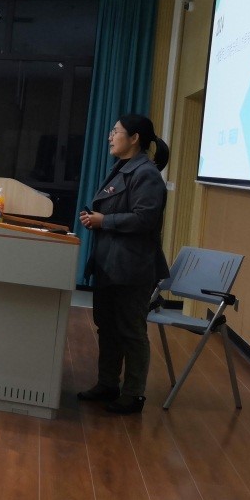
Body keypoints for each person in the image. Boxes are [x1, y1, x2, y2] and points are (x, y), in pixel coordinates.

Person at [78, 113, 171, 416]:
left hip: (133, 268)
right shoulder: (121, 168)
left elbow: (145, 219)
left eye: (116, 131)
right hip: (110, 263)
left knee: (131, 330)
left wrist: (105, 220)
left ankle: (133, 395)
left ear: (134, 138)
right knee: (107, 327)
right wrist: (96, 220)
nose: (110, 136)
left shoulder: (146, 174)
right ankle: (107, 383)